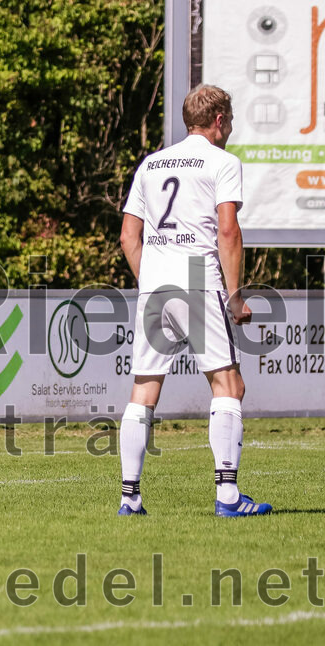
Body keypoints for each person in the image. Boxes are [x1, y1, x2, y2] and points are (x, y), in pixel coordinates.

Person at [118, 84, 270, 517]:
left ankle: (130, 499)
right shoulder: (222, 162)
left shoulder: (151, 163)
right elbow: (228, 233)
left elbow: (129, 236)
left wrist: (150, 280)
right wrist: (236, 295)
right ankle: (227, 498)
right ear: (219, 120)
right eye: (231, 121)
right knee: (229, 386)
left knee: (143, 391)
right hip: (196, 275)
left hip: (155, 280)